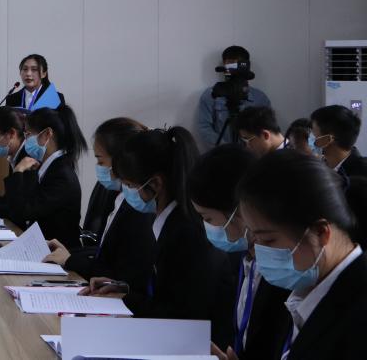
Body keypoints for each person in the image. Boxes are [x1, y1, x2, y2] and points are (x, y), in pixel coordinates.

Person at [84, 126, 232, 349]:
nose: (127, 192)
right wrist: (123, 289)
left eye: (130, 186)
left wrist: (126, 300)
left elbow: (178, 315)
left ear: (155, 184)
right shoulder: (170, 222)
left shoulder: (186, 232)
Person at [237, 149, 367, 359]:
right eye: (255, 238)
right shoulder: (308, 284)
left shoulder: (358, 312)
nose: (259, 252)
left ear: (320, 232)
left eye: (269, 240)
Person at [189, 145, 291, 360]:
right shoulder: (243, 258)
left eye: (208, 218)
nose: (207, 227)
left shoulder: (281, 272)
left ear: (240, 209)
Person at [44, 118, 155, 297]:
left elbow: (124, 272)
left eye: (101, 162)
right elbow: (107, 256)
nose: (99, 168)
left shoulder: (140, 207)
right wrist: (69, 254)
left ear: (121, 160)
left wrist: (70, 260)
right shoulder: (122, 198)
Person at [0, 105, 85, 248]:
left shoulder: (60, 174)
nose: (26, 140)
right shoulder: (50, 167)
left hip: (58, 253)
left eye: (29, 135)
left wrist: (18, 171)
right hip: (42, 246)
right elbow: (17, 205)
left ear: (47, 134)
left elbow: (22, 212)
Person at [197, 46, 271, 149]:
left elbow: (268, 129)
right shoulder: (212, 94)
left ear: (246, 66)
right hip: (222, 153)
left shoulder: (260, 98)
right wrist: (227, 149)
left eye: (237, 66)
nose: (233, 71)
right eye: (230, 66)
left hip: (253, 154)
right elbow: (204, 127)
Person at [309, 105, 366, 179]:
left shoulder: (361, 173)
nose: (309, 137)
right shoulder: (320, 167)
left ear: (328, 139)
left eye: (313, 132)